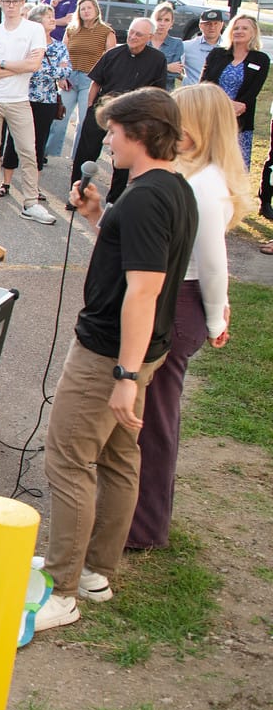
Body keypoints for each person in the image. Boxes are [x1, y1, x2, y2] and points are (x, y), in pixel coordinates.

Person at [37, 87, 198, 630]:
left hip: (110, 353)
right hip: (136, 351)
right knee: (118, 457)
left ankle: (61, 588)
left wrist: (125, 376)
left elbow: (144, 290)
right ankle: (94, 571)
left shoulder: (151, 196)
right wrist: (98, 213)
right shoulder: (170, 189)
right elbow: (131, 254)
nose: (107, 140)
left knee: (68, 458)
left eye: (114, 131)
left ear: (143, 133)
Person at [127, 83, 253, 549]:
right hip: (184, 298)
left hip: (179, 301)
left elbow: (213, 261)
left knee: (155, 422)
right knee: (150, 415)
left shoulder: (204, 185)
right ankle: (137, 515)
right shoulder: (201, 177)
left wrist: (217, 318)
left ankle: (143, 526)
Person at [0, 0, 56, 223]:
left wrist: (0, 63)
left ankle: (30, 202)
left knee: (28, 151)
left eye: (16, 2)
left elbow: (33, 65)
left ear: (23, 4)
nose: (11, 6)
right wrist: (15, 66)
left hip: (19, 100)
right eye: (7, 1)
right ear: (2, 2)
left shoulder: (33, 30)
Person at [71, 18, 169, 204]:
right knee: (86, 153)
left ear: (149, 37)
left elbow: (157, 92)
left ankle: (113, 202)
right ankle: (78, 194)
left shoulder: (157, 59)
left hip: (132, 117)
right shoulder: (113, 54)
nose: (132, 36)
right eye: (131, 31)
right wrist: (90, 108)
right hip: (103, 111)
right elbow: (95, 82)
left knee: (123, 162)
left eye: (138, 34)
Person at [0, 3, 71, 203]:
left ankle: (33, 187)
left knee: (38, 143)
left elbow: (66, 71)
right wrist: (42, 69)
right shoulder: (26, 44)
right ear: (38, 21)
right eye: (49, 16)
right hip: (22, 97)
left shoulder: (58, 46)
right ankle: (5, 183)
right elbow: (20, 67)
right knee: (14, 141)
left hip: (47, 101)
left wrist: (37, 68)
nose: (53, 20)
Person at [50, 0, 116, 158]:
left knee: (83, 121)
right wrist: (61, 77)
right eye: (83, 8)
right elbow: (62, 55)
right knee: (59, 118)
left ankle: (78, 156)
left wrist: (101, 81)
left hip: (90, 79)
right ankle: (47, 152)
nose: (86, 11)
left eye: (89, 8)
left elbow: (111, 58)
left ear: (96, 10)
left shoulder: (106, 31)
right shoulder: (72, 29)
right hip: (70, 78)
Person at [202, 14, 268, 166]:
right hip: (212, 117)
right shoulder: (217, 54)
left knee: (235, 169)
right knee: (209, 165)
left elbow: (253, 91)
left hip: (240, 121)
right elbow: (205, 84)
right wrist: (223, 104)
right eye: (236, 28)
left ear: (253, 33)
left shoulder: (261, 59)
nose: (239, 31)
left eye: (244, 28)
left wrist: (237, 106)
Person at [181, 8, 225, 87]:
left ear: (221, 25)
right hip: (193, 94)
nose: (212, 27)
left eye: (216, 23)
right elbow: (174, 67)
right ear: (200, 25)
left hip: (218, 95)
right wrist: (186, 80)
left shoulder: (228, 48)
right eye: (208, 24)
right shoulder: (187, 46)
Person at [147, 3, 185, 90]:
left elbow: (174, 74)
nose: (162, 23)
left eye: (166, 20)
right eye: (159, 19)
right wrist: (167, 67)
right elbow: (139, 70)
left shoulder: (177, 44)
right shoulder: (144, 41)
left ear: (172, 23)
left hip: (165, 93)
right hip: (142, 91)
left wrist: (150, 68)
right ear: (152, 21)